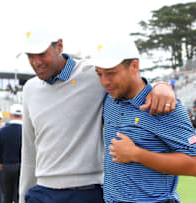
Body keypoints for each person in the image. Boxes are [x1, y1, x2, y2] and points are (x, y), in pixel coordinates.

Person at [18, 30, 176, 203]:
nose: (36, 62)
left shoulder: (94, 74)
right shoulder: (30, 89)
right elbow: (29, 149)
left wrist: (162, 86)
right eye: (30, 56)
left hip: (88, 192)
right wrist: (23, 195)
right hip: (42, 193)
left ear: (60, 46)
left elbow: (132, 83)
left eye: (41, 54)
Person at [93, 37, 196, 202]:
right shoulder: (109, 99)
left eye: (111, 73)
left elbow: (194, 165)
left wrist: (137, 154)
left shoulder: (164, 106)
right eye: (99, 74)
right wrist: (163, 84)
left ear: (134, 66)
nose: (104, 82)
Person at [0, 104, 23, 203]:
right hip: (22, 166)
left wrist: (0, 163)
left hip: (7, 166)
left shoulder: (3, 131)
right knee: (19, 194)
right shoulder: (26, 130)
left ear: (10, 115)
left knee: (6, 195)